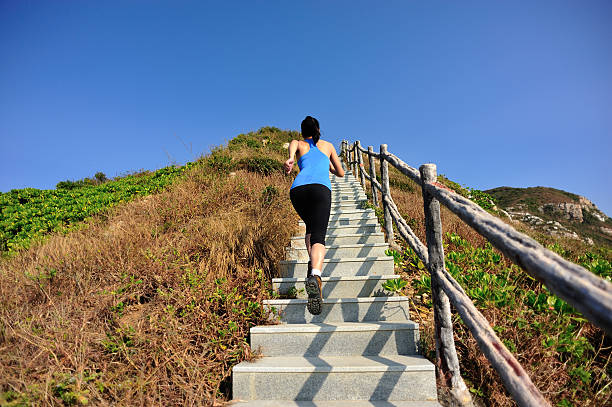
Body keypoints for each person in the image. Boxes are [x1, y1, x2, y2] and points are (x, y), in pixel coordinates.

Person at [284, 116, 345, 315]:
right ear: (318, 128)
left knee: (311, 226)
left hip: (298, 190)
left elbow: (293, 144)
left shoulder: (299, 144)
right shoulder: (327, 146)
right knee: (319, 234)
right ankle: (316, 276)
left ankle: (311, 269)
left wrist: (292, 158)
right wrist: (326, 163)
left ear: (303, 131)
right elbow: (341, 172)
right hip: (320, 190)